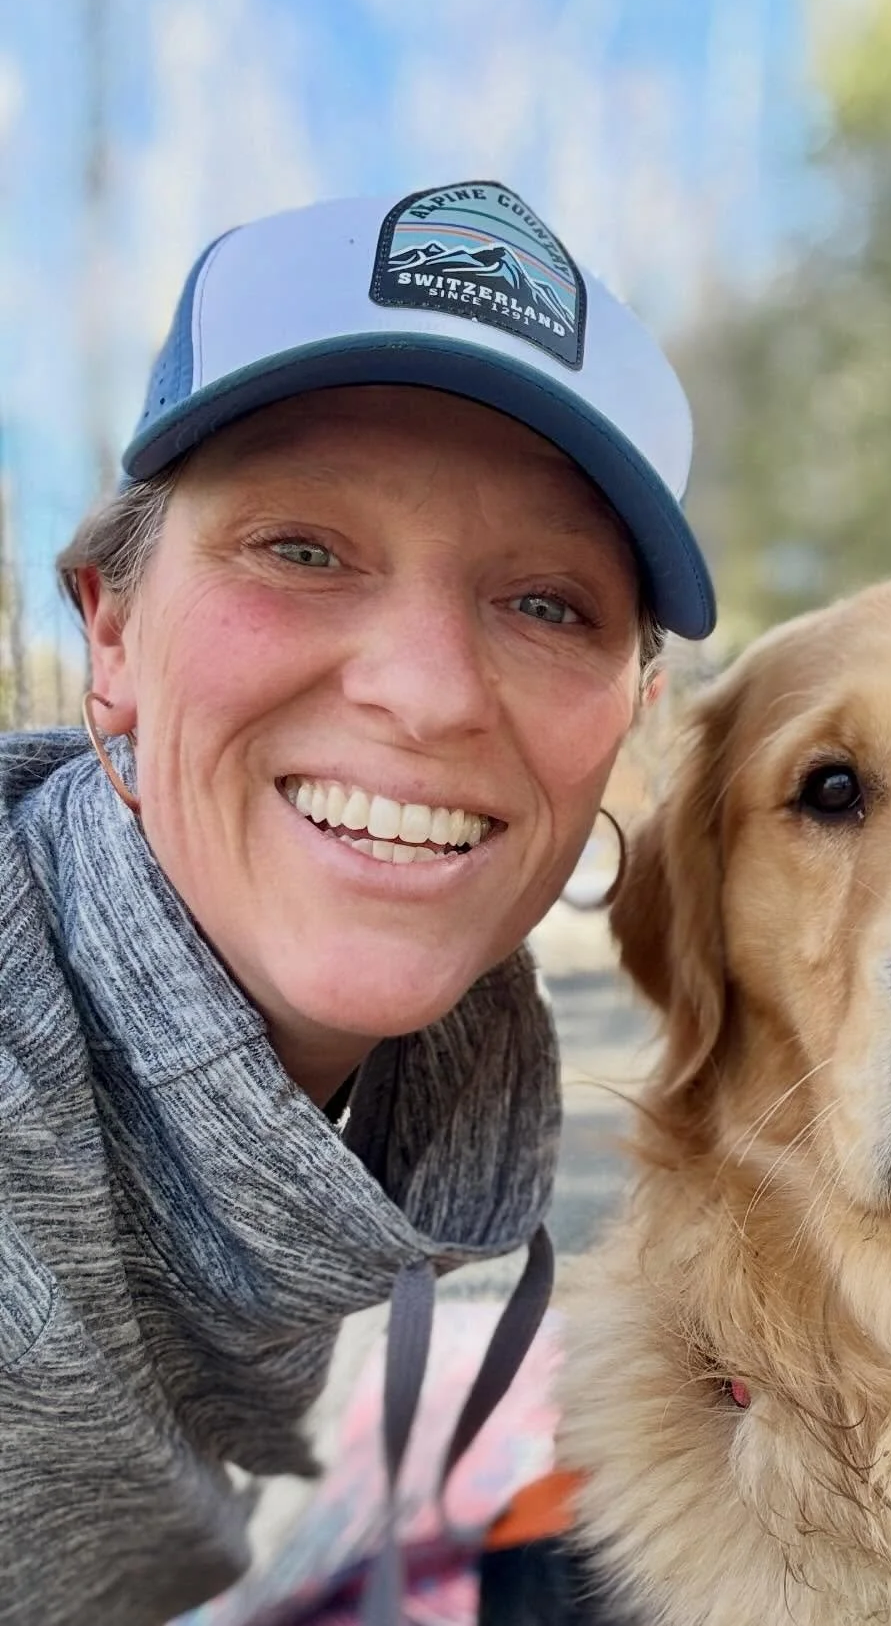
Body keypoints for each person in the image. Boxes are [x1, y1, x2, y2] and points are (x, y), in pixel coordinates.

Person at [0, 179, 715, 1626]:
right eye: (303, 550)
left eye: (547, 604)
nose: (432, 694)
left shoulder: (444, 1095)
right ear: (114, 627)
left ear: (628, 721)